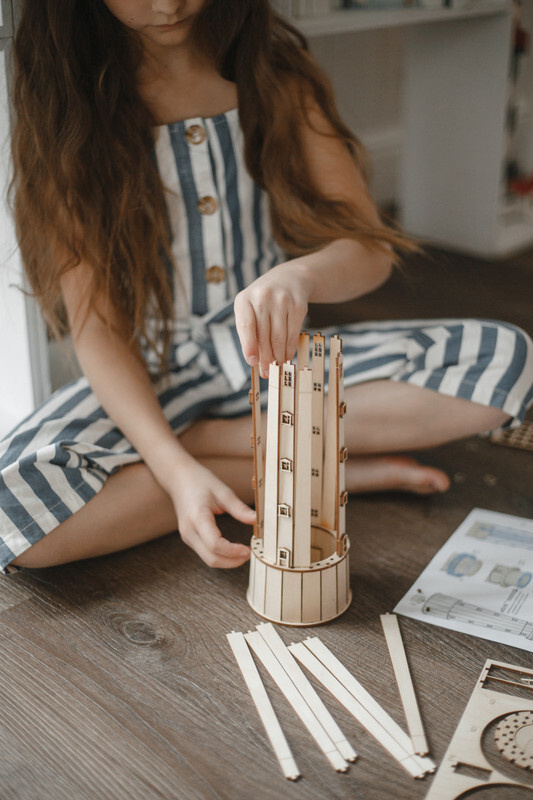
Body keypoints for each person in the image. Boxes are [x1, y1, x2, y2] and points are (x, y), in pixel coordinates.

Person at [1, 0, 531, 574]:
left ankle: (218, 443)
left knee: (509, 362)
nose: (167, 4)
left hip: (278, 361)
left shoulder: (277, 76)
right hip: (147, 372)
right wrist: (176, 474)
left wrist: (299, 274)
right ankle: (303, 468)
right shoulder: (69, 109)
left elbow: (371, 250)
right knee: (15, 516)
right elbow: (96, 328)